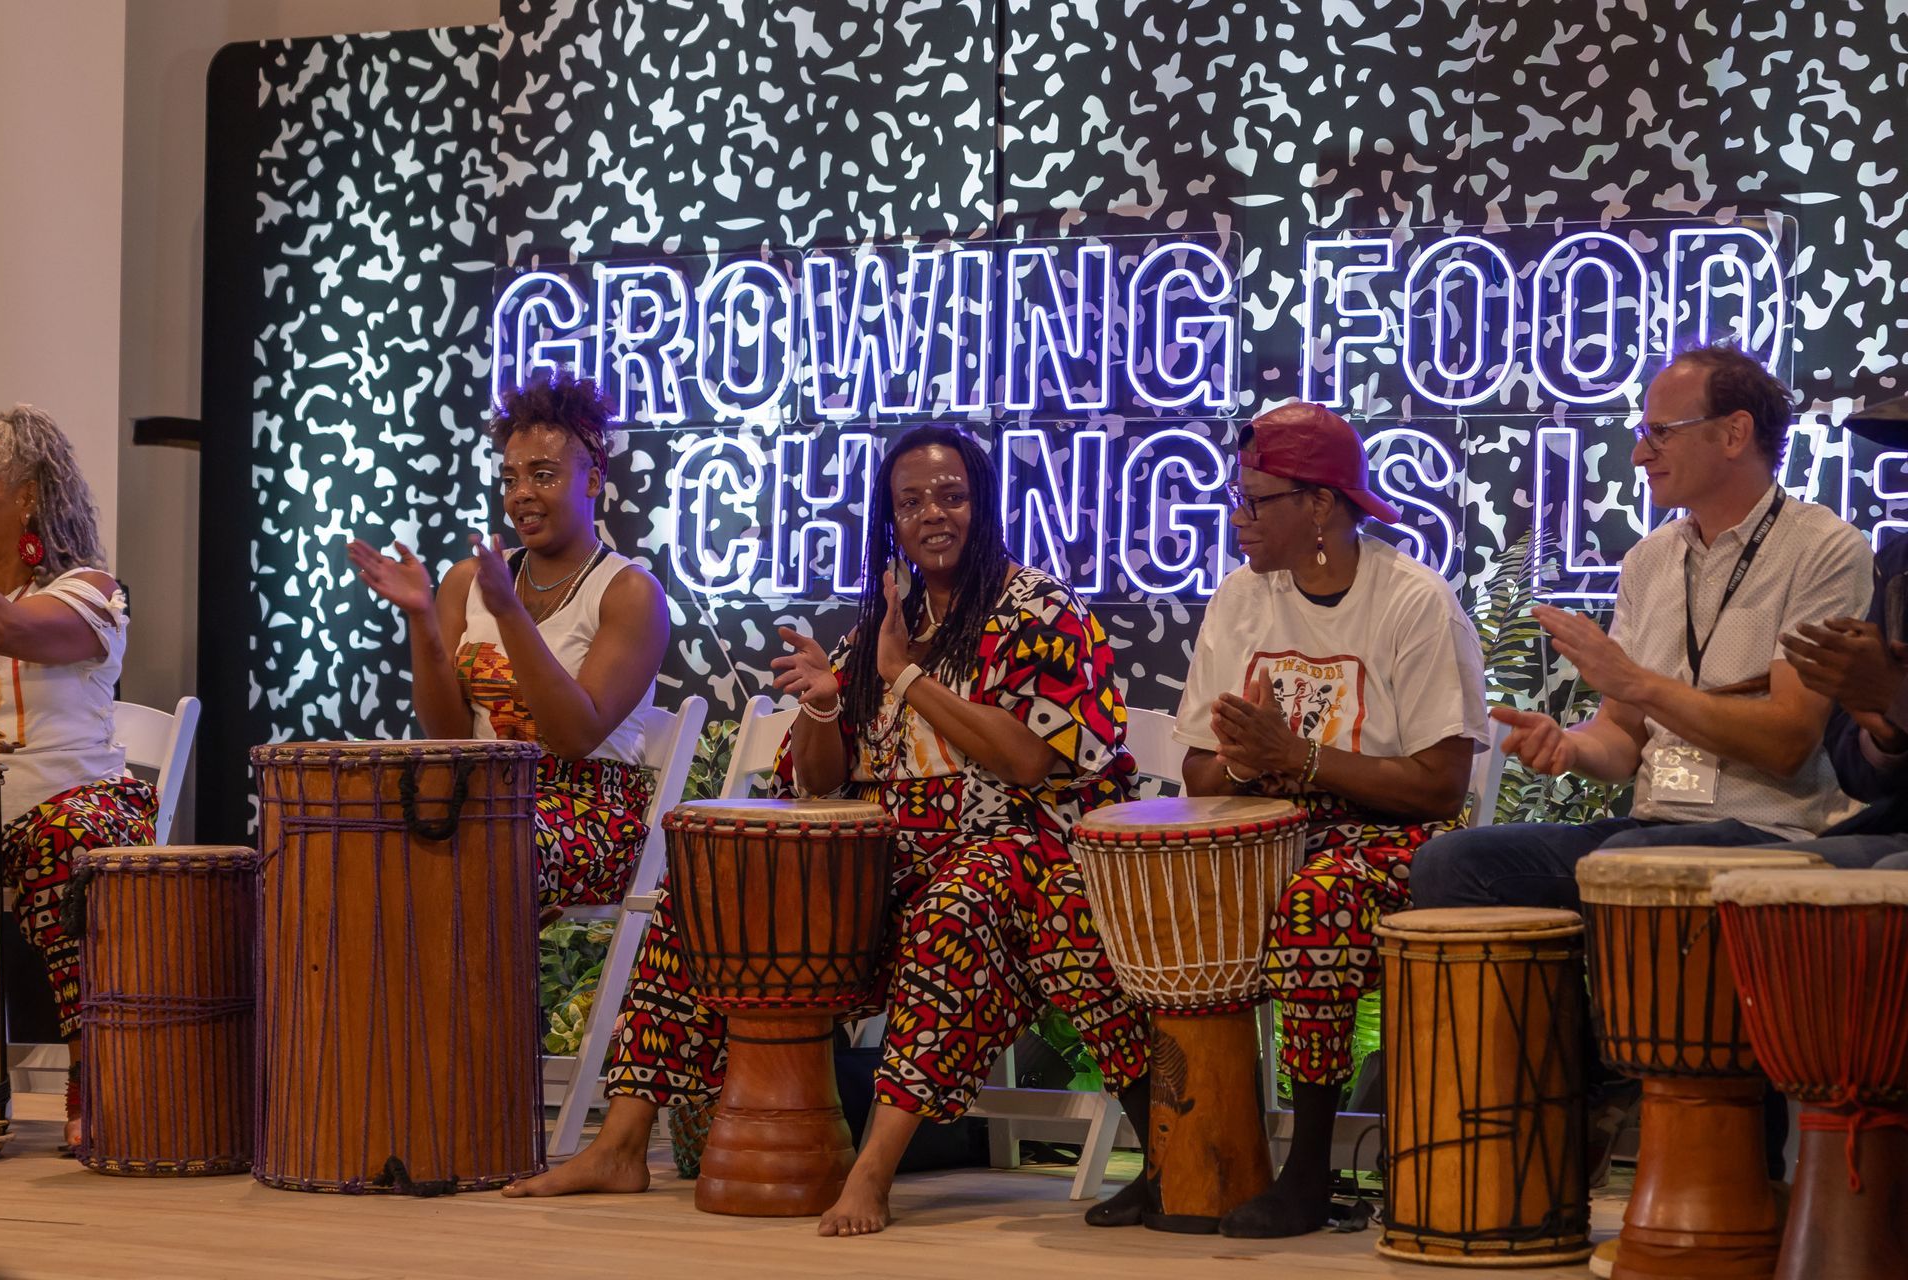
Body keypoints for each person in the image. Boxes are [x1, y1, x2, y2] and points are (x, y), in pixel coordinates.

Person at [504, 424, 1149, 1238]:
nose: (932, 515)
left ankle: (872, 1171)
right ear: (890, 518)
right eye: (910, 502)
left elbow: (1026, 762)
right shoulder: (882, 618)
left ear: (983, 504)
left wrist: (905, 677)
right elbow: (814, 780)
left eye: (951, 496)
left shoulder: (1041, 610)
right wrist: (821, 702)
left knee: (953, 913)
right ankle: (623, 1144)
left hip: (1016, 851)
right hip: (884, 857)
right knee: (703, 896)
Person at [1095, 402, 1487, 1238]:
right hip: (1265, 830)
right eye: (1238, 499)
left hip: (1388, 839)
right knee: (1097, 897)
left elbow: (1441, 787)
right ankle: (1181, 1159)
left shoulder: (1414, 601)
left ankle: (1308, 1174)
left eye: (1257, 501)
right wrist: (1247, 760)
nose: (1238, 519)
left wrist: (1298, 758)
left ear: (1321, 506)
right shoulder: (1242, 597)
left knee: (1315, 903)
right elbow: (1202, 771)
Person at [1410, 343, 1873, 907]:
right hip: (1651, 830)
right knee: (1450, 862)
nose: (1637, 454)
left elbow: (1787, 742)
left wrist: (1641, 684)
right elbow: (1622, 739)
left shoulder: (1823, 548)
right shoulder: (1648, 561)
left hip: (1771, 837)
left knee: (1628, 860)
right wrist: (1571, 745)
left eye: (1660, 432)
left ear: (1733, 434)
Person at [349, 371, 668, 912]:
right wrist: (423, 619)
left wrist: (509, 613)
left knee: (477, 838)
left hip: (590, 811)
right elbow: (449, 735)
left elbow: (574, 736)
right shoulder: (464, 582)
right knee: (360, 831)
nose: (521, 494)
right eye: (510, 478)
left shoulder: (630, 592)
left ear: (593, 481)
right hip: (481, 796)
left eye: (543, 475)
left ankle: (472, 998)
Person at [0, 405, 159, 1147]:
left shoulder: (91, 591)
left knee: (66, 841)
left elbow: (12, 631)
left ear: (27, 494)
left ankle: (97, 1074)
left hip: (77, 802)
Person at [1765, 391, 1908, 866]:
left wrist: (1895, 694)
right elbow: (1859, 772)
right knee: (1790, 877)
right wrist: (1884, 736)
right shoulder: (1898, 564)